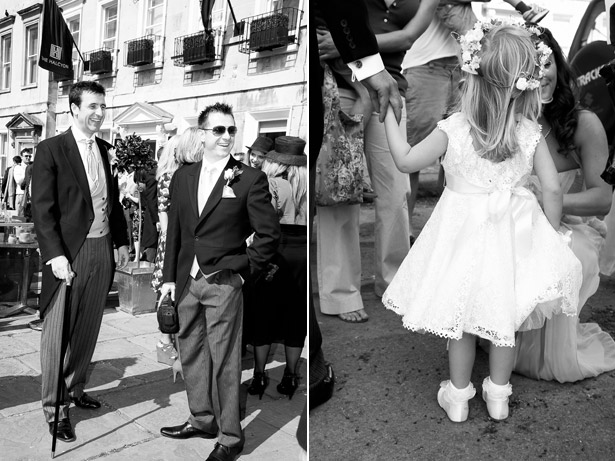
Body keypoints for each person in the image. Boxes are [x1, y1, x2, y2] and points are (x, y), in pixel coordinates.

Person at [381, 22, 582, 422]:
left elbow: (404, 160)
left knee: (463, 320)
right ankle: (499, 397)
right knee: (502, 317)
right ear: (523, 84)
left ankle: (457, 397)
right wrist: (553, 234)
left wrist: (389, 112)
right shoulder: (529, 133)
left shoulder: (452, 130)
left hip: (459, 238)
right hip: (512, 238)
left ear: (472, 76)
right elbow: (553, 191)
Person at [159, 102, 280, 461]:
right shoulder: (184, 176)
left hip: (224, 282)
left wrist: (242, 271)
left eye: (231, 130)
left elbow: (268, 235)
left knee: (226, 360)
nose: (227, 136)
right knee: (191, 353)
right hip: (186, 282)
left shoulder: (249, 178)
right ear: (203, 133)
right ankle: (201, 418)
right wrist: (168, 279)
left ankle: (230, 437)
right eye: (219, 130)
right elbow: (177, 234)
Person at [316, 0, 439, 323]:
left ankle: (395, 280)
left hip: (390, 87)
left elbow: (407, 38)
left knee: (397, 191)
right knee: (340, 189)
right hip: (343, 86)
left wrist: (347, 46)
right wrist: (355, 59)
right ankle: (340, 294)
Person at [513, 28, 615, 382]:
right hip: (509, 227)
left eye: (547, 62)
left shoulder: (584, 124)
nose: (541, 72)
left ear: (559, 63)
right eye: (528, 64)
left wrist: (546, 201)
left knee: (572, 254)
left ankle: (543, 346)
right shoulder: (505, 124)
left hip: (564, 226)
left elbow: (602, 198)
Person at [31, 80, 130, 442]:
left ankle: (75, 388)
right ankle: (55, 407)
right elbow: (42, 210)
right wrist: (54, 254)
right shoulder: (51, 150)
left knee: (88, 327)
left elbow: (113, 201)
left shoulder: (105, 150)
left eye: (102, 106)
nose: (99, 113)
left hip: (101, 249)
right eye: (92, 106)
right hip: (67, 253)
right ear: (73, 108)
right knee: (58, 332)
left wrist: (120, 241)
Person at [244, 136, 308, 401]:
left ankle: (259, 376)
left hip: (276, 253)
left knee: (263, 314)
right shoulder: (306, 183)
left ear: (273, 162)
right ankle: (291, 376)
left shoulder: (271, 184)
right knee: (296, 316)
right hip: (302, 254)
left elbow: (263, 223)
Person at [151, 130, 203, 366]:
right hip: (174, 241)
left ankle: (176, 342)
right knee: (169, 294)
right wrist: (173, 239)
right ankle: (164, 342)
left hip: (186, 241)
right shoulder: (171, 176)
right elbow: (163, 216)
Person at [17, 149, 33, 218]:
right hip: (21, 194)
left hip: (29, 195)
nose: (28, 158)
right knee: (21, 216)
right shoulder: (18, 167)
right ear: (21, 157)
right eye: (26, 156)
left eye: (30, 156)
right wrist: (27, 177)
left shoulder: (32, 166)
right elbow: (19, 182)